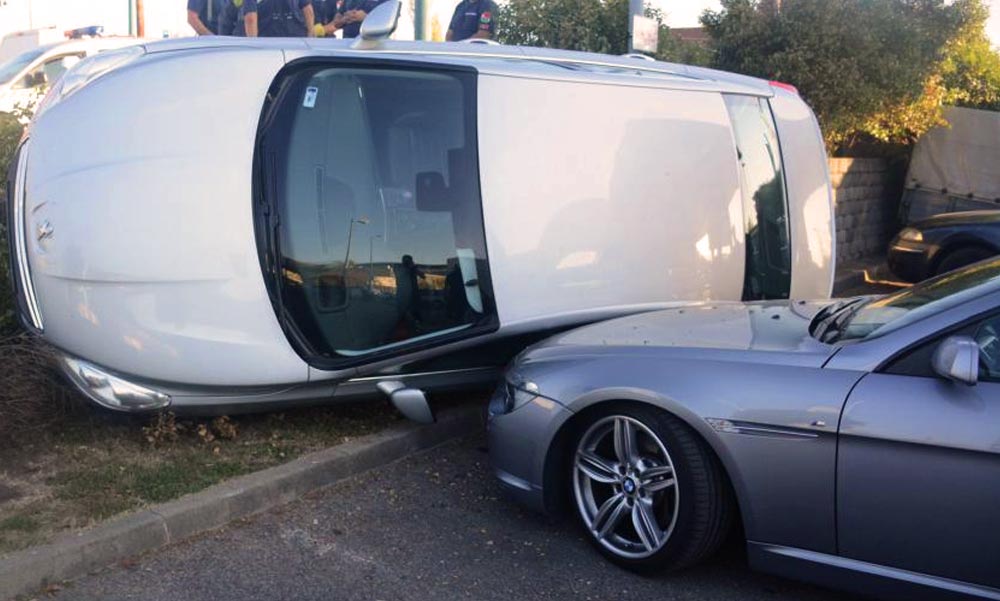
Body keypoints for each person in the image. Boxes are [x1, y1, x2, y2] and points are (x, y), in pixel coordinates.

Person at [315, 0, 387, 39]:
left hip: (375, 43)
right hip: (348, 43)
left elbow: (389, 18)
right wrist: (344, 19)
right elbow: (337, 21)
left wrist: (366, 17)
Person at [243, 0, 316, 37]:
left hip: (268, 42)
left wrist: (253, 44)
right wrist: (310, 35)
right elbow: (309, 11)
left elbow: (250, 18)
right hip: (296, 41)